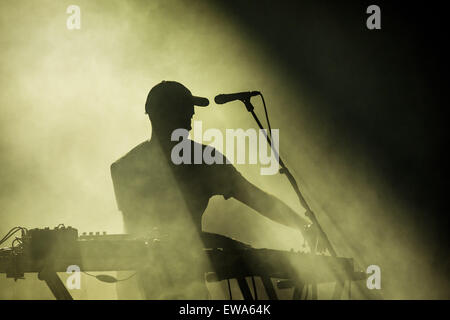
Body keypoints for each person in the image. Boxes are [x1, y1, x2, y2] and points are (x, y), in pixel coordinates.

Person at [110, 80, 311, 299]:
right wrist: (223, 243)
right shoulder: (127, 168)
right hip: (151, 286)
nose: (190, 122)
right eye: (184, 113)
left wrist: (303, 225)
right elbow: (141, 234)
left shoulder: (205, 160)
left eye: (190, 114)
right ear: (160, 116)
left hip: (190, 283)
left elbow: (257, 199)